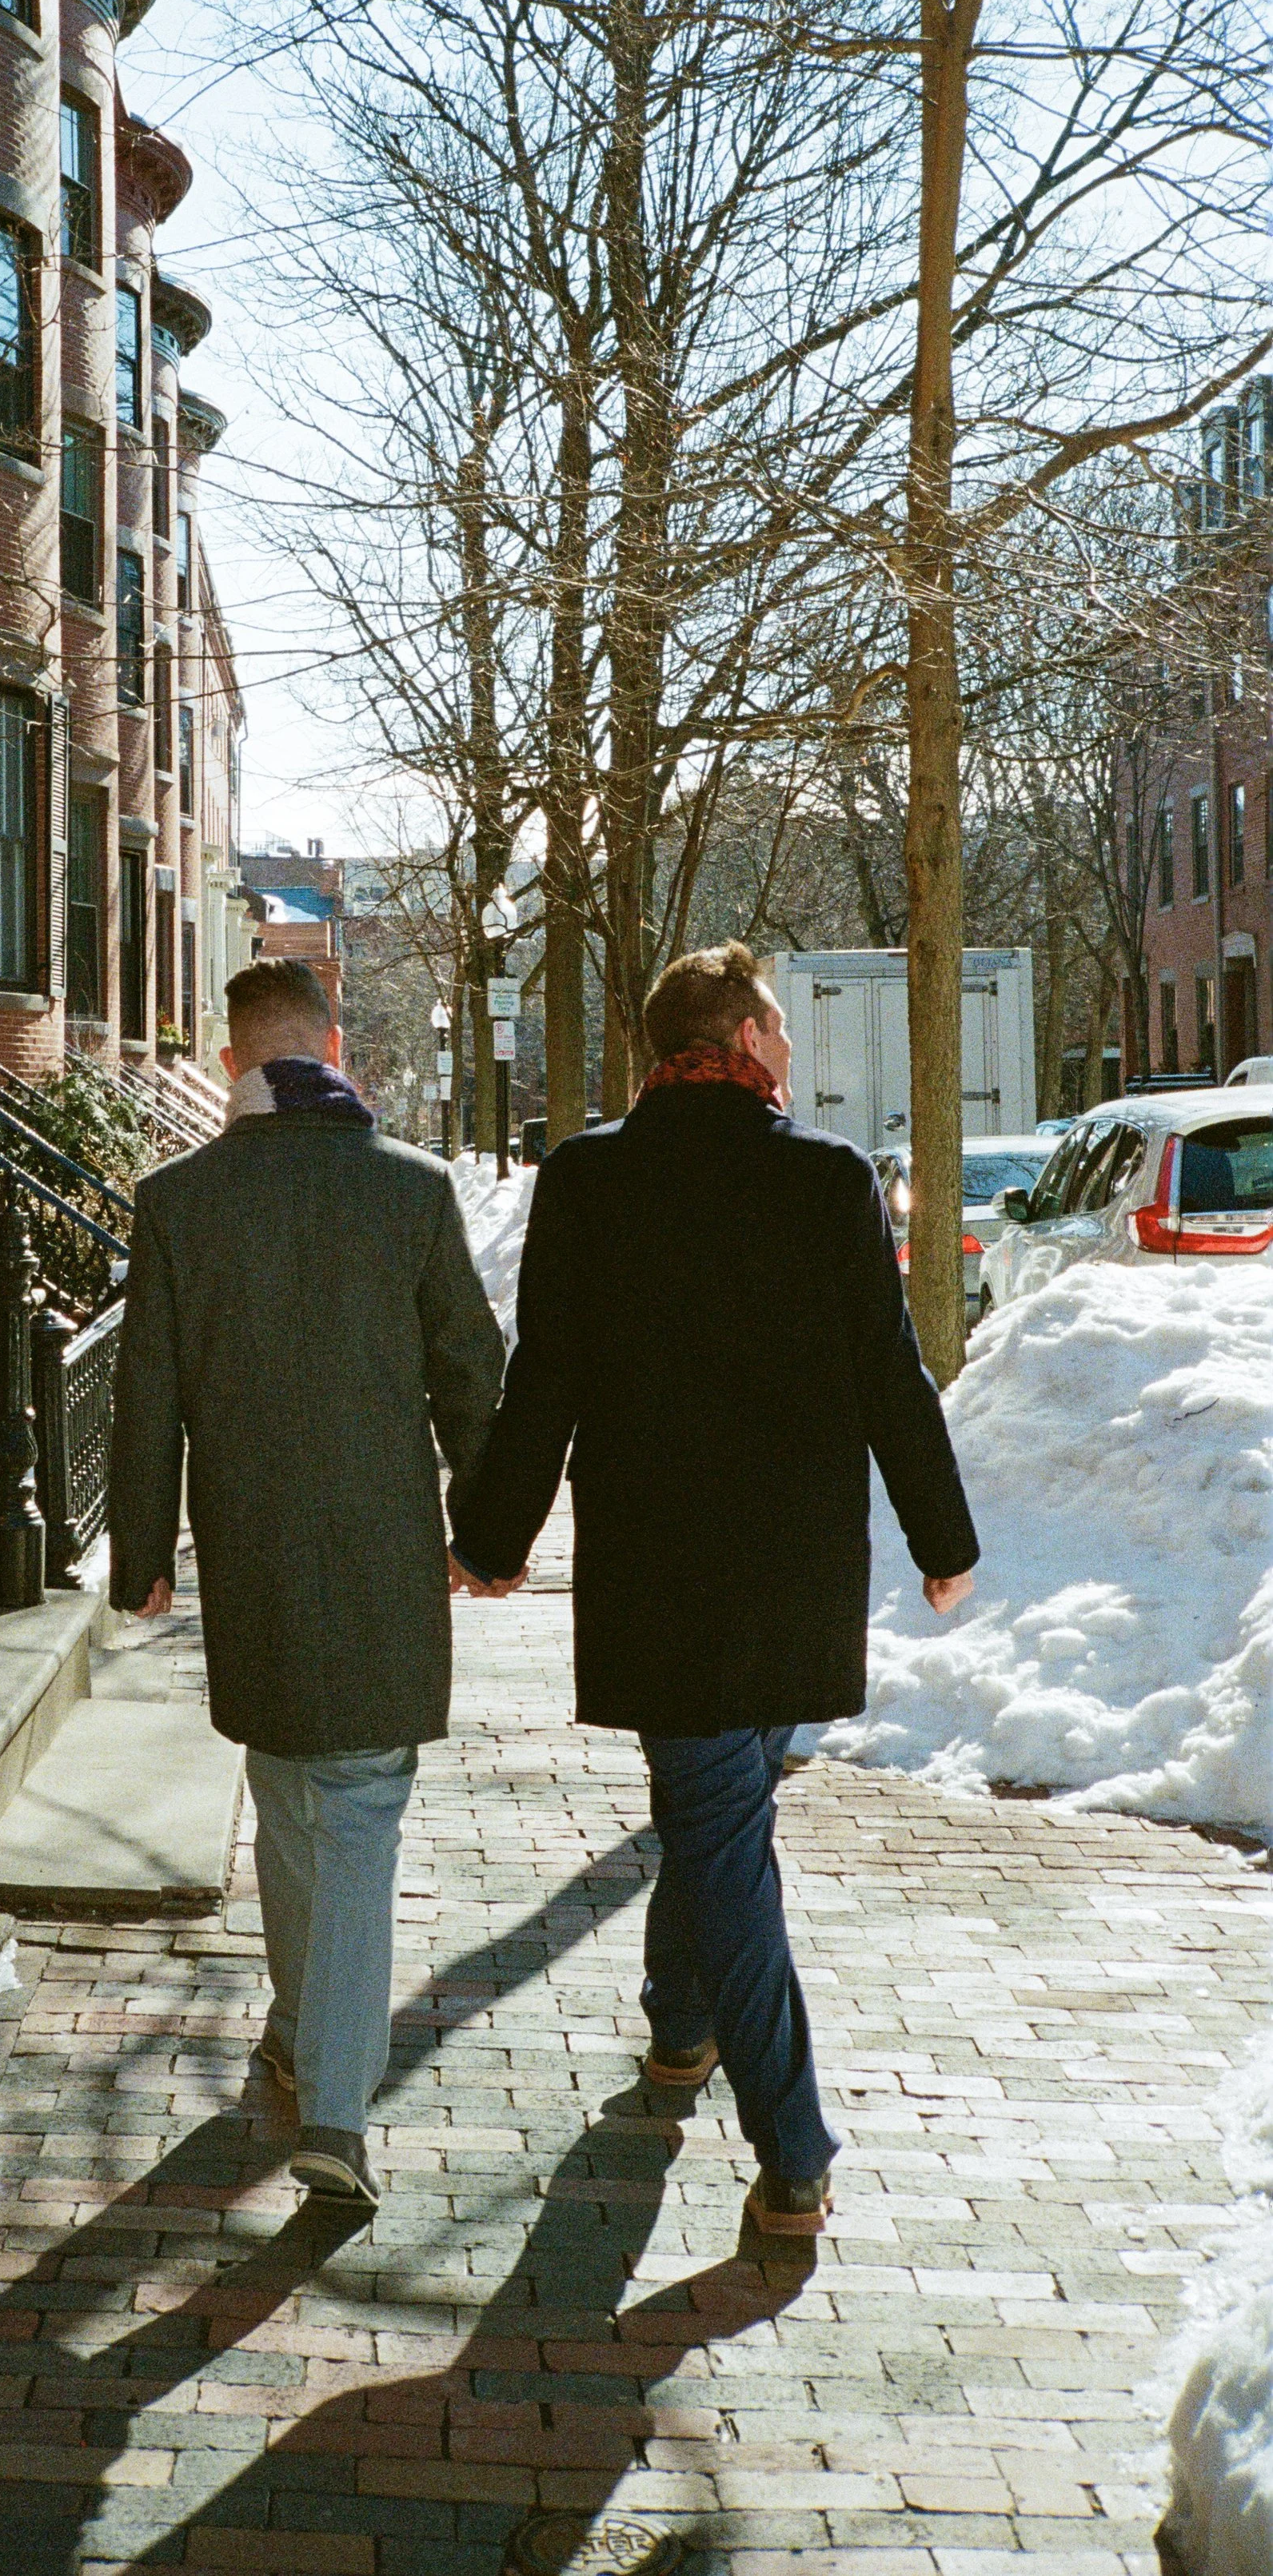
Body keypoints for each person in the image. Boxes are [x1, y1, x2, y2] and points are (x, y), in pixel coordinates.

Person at [448, 942, 978, 2239]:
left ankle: (685, 2026)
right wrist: (942, 1536)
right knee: (726, 1824)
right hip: (795, 1576)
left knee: (715, 1817)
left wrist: (495, 1534)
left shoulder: (589, 1178)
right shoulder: (828, 1177)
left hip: (659, 1580)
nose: (790, 1048)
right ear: (741, 1035)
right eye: (779, 1026)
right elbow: (890, 1373)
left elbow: (545, 1377)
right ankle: (793, 2145)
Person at [109, 955, 506, 2207]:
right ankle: (335, 2108)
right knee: (354, 1815)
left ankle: (297, 2032)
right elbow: (472, 1380)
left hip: (251, 1554)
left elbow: (145, 1396)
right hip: (381, 1560)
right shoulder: (412, 1190)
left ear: (233, 1061)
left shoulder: (179, 1200)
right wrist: (488, 1535)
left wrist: (139, 1555)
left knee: (288, 1790)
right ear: (332, 1047)